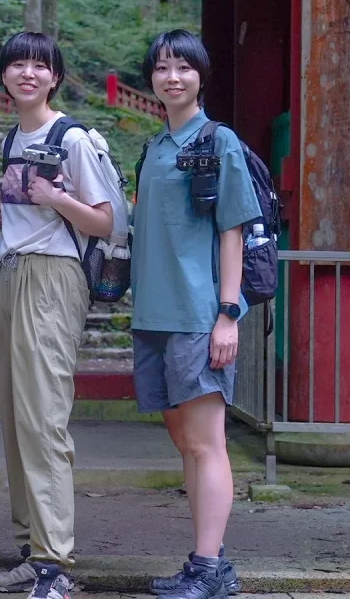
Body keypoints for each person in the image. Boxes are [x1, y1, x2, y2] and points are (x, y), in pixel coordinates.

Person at [0, 32, 114, 599]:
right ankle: (30, 550)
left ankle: (55, 564)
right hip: (11, 274)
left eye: (40, 65)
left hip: (53, 279)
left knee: (43, 418)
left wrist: (56, 199)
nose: (28, 73)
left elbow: (106, 221)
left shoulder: (73, 138)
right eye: (18, 64)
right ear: (4, 76)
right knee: (16, 418)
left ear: (55, 78)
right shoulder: (14, 135)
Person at [130, 30, 259, 599]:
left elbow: (233, 230)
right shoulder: (155, 146)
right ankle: (211, 562)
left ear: (201, 76)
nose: (172, 77)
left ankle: (207, 569)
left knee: (207, 444)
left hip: (198, 316)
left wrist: (227, 313)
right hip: (154, 317)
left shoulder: (218, 140)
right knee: (187, 443)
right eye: (162, 68)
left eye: (183, 67)